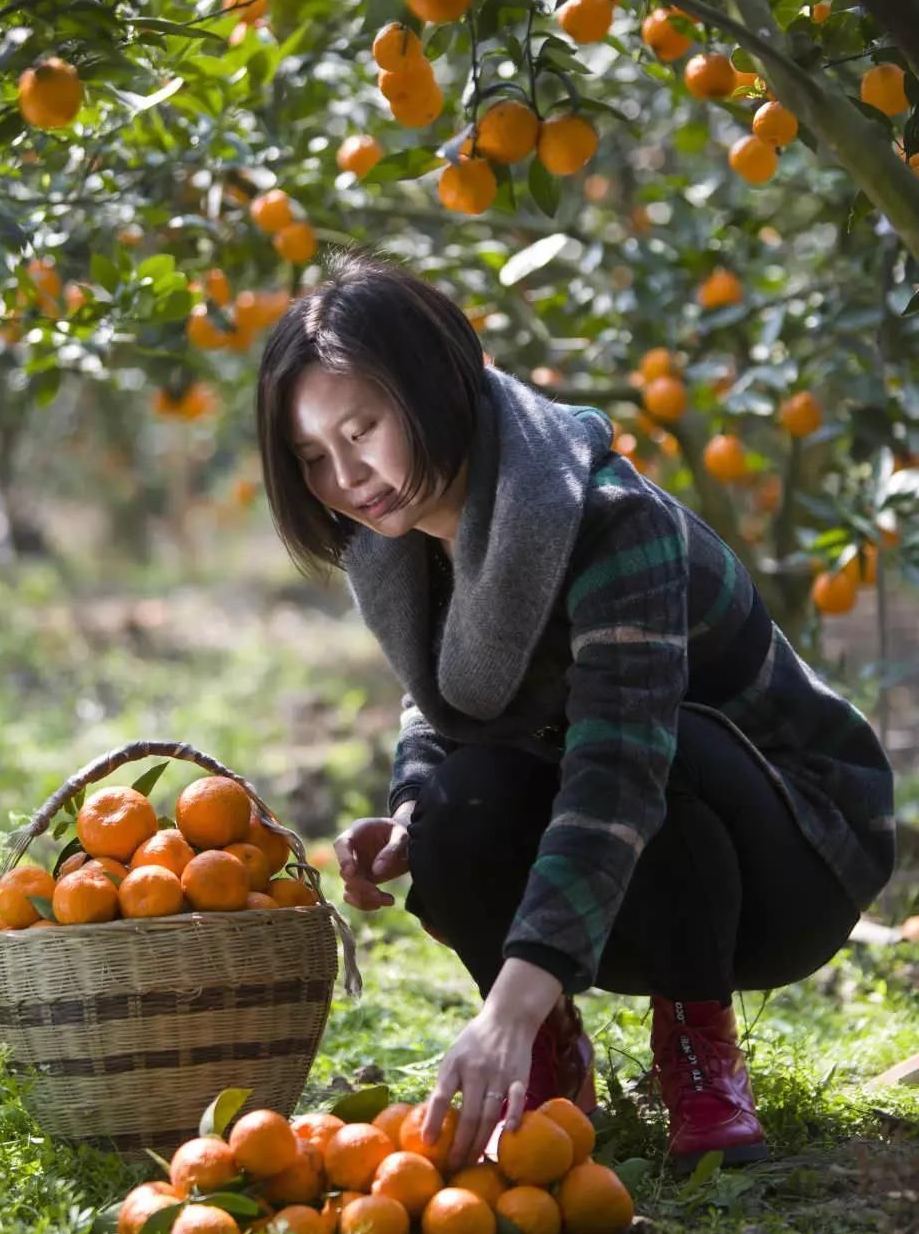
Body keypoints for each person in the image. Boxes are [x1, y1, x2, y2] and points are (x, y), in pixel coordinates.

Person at [254, 246, 896, 1178]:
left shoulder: (604, 517)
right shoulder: (398, 547)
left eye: (363, 429)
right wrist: (409, 812)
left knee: (660, 745)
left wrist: (495, 1013)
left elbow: (621, 766)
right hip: (626, 874)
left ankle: (697, 1047)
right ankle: (547, 1053)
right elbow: (441, 705)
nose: (347, 474)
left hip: (791, 852)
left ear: (435, 391)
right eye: (314, 455)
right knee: (454, 800)